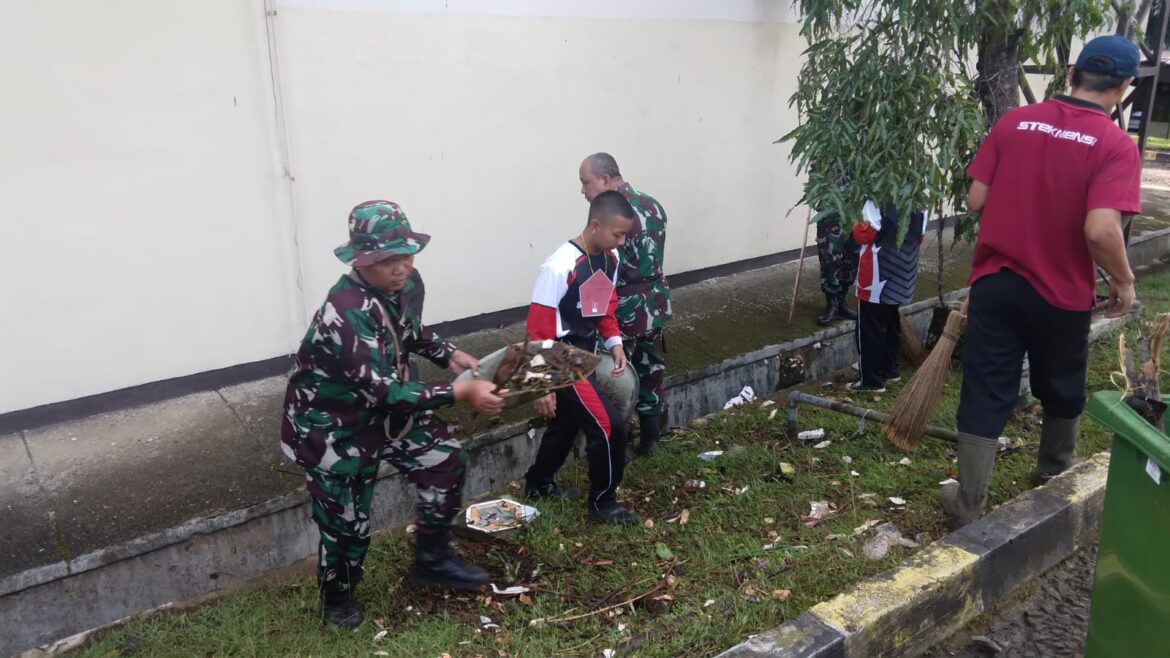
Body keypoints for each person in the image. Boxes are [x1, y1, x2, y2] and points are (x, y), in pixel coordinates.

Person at [942, 35, 1141, 525]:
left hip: (997, 282)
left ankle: (969, 503)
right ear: (1124, 88)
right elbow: (1100, 228)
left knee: (987, 387)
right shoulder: (1115, 145)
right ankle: (1052, 479)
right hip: (1061, 293)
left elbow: (975, 199)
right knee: (1061, 382)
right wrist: (1124, 280)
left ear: (1071, 74)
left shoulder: (1014, 122)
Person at [281, 200, 507, 628]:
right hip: (333, 426)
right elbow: (386, 391)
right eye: (388, 259)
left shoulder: (405, 283)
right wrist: (461, 393)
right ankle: (338, 601)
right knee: (348, 527)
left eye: (406, 254)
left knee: (444, 458)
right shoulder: (345, 313)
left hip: (386, 405)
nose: (401, 267)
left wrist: (449, 354)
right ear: (363, 260)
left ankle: (433, 558)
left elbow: (411, 328)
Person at [523, 190, 639, 525]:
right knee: (608, 427)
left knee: (567, 424)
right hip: (560, 359)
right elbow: (537, 332)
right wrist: (543, 385)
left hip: (586, 354)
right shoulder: (558, 267)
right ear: (595, 225)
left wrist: (614, 342)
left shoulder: (609, 260)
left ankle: (538, 484)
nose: (620, 242)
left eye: (624, 235)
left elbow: (604, 307)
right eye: (617, 234)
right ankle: (604, 503)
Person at [579, 153, 673, 456]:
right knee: (652, 372)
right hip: (655, 304)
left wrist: (587, 316)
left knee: (615, 378)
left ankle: (611, 451)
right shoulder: (653, 205)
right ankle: (650, 443)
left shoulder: (611, 216)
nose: (583, 191)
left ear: (606, 180)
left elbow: (600, 269)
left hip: (623, 311)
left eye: (586, 182)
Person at [850, 201, 928, 393]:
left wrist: (853, 218)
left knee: (870, 327)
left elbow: (863, 234)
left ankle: (871, 380)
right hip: (904, 269)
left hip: (877, 272)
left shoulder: (875, 199)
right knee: (891, 319)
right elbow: (920, 236)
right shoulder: (918, 196)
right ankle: (890, 369)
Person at [815, 212, 860, 326]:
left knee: (852, 258)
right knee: (829, 259)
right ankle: (832, 304)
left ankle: (841, 302)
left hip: (855, 209)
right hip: (831, 213)